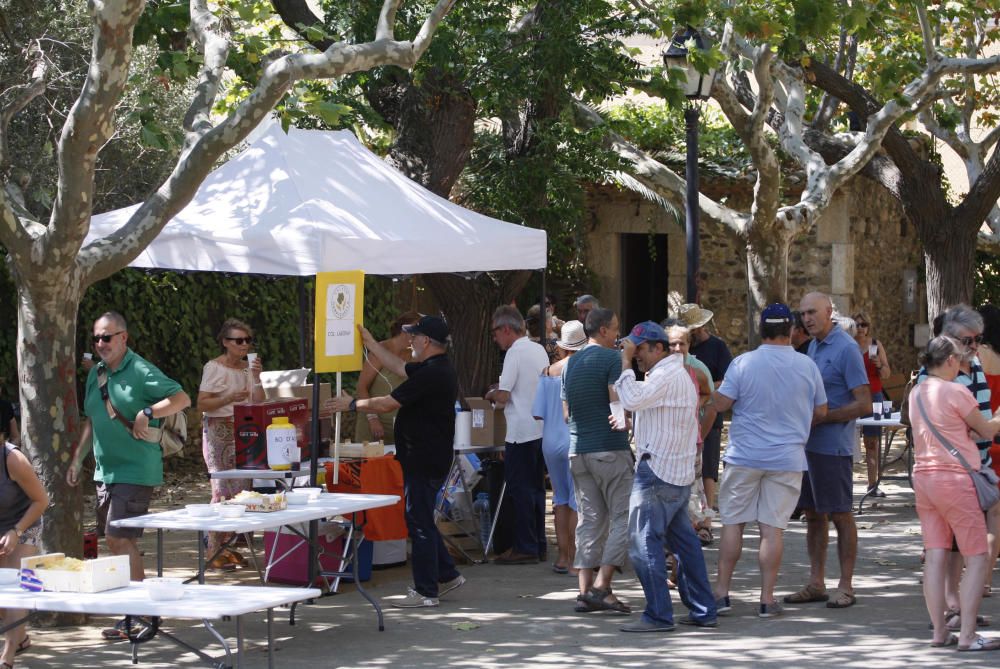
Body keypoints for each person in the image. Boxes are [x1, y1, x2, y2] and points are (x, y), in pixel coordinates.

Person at [65, 311, 191, 640]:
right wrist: (78, 460)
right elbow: (92, 420)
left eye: (108, 337)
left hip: (137, 470)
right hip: (107, 472)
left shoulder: (141, 370)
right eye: (97, 338)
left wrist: (148, 411)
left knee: (120, 539)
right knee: (116, 541)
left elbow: (182, 398)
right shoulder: (98, 374)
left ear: (124, 338)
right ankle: (137, 612)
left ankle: (140, 615)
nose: (101, 343)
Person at [328, 316, 464, 608]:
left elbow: (388, 402)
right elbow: (398, 366)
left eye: (414, 337)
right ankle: (448, 574)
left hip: (424, 458)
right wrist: (372, 344)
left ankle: (427, 591)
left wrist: (352, 404)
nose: (409, 342)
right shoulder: (432, 367)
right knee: (422, 518)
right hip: (426, 455)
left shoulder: (433, 373)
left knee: (418, 522)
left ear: (426, 341)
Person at [711, 304, 828, 618]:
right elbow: (821, 411)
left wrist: (710, 390)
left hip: (745, 455)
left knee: (733, 523)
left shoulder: (743, 363)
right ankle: (766, 599)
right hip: (787, 457)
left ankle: (721, 594)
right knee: (772, 529)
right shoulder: (807, 366)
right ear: (790, 330)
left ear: (761, 329)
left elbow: (722, 403)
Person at [614, 321, 717, 632]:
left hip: (659, 471)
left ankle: (659, 614)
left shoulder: (667, 374)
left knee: (643, 542)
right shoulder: (673, 373)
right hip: (674, 470)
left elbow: (629, 399)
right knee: (684, 544)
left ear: (658, 348)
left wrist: (624, 361)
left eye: (640, 349)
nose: (635, 355)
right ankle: (703, 609)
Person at [910, 335, 1000, 651]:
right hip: (956, 481)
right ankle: (967, 635)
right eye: (960, 360)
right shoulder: (957, 392)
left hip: (924, 479)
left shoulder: (917, 393)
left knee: (935, 555)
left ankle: (939, 632)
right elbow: (988, 430)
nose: (962, 367)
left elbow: (947, 428)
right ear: (949, 361)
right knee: (976, 556)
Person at [784, 292, 870, 610]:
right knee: (813, 515)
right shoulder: (813, 347)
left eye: (812, 312)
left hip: (834, 447)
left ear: (829, 312)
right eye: (803, 313)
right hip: (808, 446)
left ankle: (845, 586)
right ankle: (816, 583)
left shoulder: (846, 348)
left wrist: (823, 418)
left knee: (840, 514)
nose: (806, 318)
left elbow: (864, 402)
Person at [562, 307, 634, 614]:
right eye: (616, 328)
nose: (618, 334)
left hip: (578, 450)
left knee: (590, 520)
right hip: (608, 448)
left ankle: (583, 592)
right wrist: (628, 361)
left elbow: (567, 414)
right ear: (603, 330)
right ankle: (603, 587)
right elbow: (618, 400)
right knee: (624, 516)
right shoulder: (612, 359)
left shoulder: (569, 363)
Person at [196, 318, 265, 571]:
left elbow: (259, 401)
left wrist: (256, 377)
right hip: (219, 430)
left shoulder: (247, 369)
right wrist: (228, 397)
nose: (244, 345)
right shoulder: (214, 367)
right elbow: (202, 404)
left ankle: (227, 546)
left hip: (244, 428)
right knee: (221, 489)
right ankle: (213, 549)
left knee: (242, 490)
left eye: (247, 340)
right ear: (225, 342)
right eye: (238, 341)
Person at [486, 305, 550, 565]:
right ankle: (537, 544)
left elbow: (503, 396)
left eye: (495, 333)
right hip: (539, 429)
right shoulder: (538, 349)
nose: (494, 338)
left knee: (519, 490)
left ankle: (525, 546)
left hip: (521, 431)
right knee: (535, 490)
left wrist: (490, 394)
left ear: (506, 329)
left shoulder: (515, 352)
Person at [531, 320, 586, 574]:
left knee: (559, 499)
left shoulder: (547, 372)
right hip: (574, 438)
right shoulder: (583, 368)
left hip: (550, 441)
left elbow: (537, 414)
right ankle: (576, 559)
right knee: (576, 501)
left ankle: (562, 557)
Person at [662, 321, 716, 545]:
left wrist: (696, 407)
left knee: (691, 493)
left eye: (681, 344)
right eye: (672, 344)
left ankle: (688, 539)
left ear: (688, 346)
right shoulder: (658, 373)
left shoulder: (696, 372)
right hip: (666, 445)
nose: (677, 349)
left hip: (691, 444)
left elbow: (708, 394)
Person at [676, 303, 732, 512]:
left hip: (708, 413)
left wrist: (704, 383)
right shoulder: (679, 347)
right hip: (685, 419)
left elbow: (728, 379)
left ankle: (706, 513)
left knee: (708, 468)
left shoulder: (718, 347)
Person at [0, 434, 48, 668]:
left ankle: (7, 656)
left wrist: (15, 532)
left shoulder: (13, 459)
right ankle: (21, 638)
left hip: (23, 524)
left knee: (12, 587)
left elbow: (41, 501)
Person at [354, 311, 421, 443]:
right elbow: (361, 387)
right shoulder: (380, 350)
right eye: (417, 332)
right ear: (405, 330)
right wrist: (372, 418)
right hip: (373, 422)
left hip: (401, 425)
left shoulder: (415, 355)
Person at [853, 311, 892, 497]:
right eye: (857, 324)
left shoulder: (876, 345)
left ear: (868, 327)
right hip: (851, 396)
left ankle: (872, 484)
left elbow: (886, 374)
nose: (861, 328)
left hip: (874, 395)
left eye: (864, 324)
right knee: (847, 441)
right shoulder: (848, 346)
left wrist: (879, 365)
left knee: (872, 442)